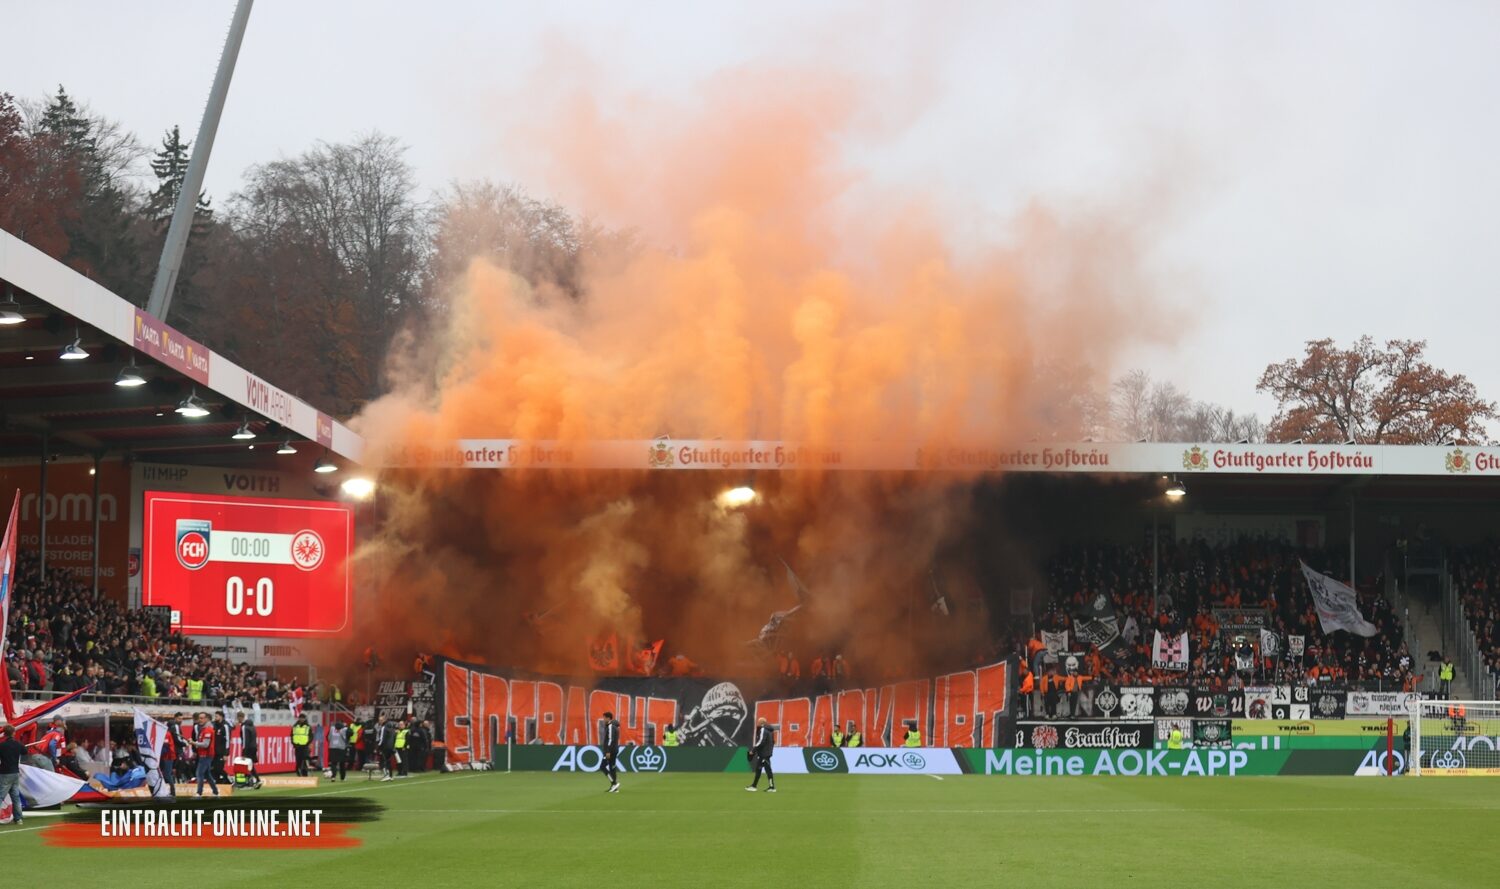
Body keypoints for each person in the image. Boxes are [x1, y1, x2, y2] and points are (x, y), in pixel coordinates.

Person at [0, 724, 26, 826]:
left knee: (0, 796)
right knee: (16, 797)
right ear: (14, 733)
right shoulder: (18, 744)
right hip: (15, 773)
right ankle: (18, 819)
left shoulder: (2, 745)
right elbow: (25, 751)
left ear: (4, 733)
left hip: (5, 773)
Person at [746, 717, 776, 792]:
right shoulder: (770, 731)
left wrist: (753, 750)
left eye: (758, 722)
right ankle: (754, 786)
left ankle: (772, 787)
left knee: (768, 770)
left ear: (761, 723)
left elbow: (761, 741)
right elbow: (772, 742)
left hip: (764, 754)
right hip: (766, 753)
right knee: (758, 770)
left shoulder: (763, 729)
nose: (757, 723)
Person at [192, 712, 219, 797]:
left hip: (206, 755)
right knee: (207, 774)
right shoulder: (204, 729)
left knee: (199, 773)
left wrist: (194, 743)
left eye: (202, 718)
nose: (200, 720)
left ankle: (199, 793)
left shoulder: (208, 730)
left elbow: (205, 744)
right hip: (204, 755)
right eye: (199, 718)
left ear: (206, 719)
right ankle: (215, 792)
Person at [236, 712, 262, 789]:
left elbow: (245, 740)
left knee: (244, 765)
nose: (237, 720)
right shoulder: (252, 725)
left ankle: (249, 782)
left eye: (238, 718)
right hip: (253, 747)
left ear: (240, 717)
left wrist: (244, 752)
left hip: (248, 748)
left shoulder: (244, 727)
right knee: (250, 765)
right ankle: (257, 780)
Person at [601, 711, 621, 793]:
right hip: (614, 749)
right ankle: (614, 788)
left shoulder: (610, 726)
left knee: (602, 766)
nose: (603, 719)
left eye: (604, 717)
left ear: (608, 718)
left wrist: (608, 751)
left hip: (610, 751)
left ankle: (614, 783)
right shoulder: (614, 726)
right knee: (612, 767)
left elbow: (610, 739)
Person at [211, 712, 231, 785]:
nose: (215, 718)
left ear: (221, 717)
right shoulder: (214, 725)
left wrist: (226, 753)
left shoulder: (225, 726)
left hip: (221, 752)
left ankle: (229, 781)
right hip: (214, 752)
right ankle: (219, 783)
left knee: (219, 769)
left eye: (216, 716)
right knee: (213, 769)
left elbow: (228, 740)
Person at [291, 713, 313, 777]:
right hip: (297, 746)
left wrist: (307, 743)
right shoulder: (295, 726)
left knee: (305, 760)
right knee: (298, 761)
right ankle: (298, 772)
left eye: (303, 718)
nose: (301, 719)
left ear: (305, 719)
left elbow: (311, 736)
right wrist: (294, 743)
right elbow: (292, 735)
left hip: (305, 746)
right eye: (300, 718)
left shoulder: (308, 726)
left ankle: (305, 774)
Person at [375, 714, 396, 781]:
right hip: (391, 747)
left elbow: (382, 738)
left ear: (384, 720)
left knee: (383, 761)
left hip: (385, 747)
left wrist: (378, 747)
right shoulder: (392, 728)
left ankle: (386, 775)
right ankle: (390, 775)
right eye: (379, 720)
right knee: (388, 761)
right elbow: (394, 738)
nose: (380, 721)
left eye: (381, 720)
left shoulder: (384, 727)